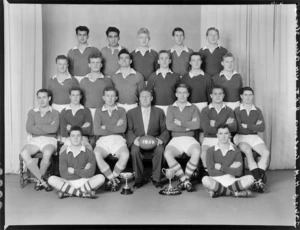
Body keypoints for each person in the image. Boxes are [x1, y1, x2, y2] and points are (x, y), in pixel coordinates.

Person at [126, 88, 170, 188]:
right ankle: (138, 179)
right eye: (142, 96)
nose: (145, 98)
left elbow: (165, 130)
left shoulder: (159, 112)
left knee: (160, 150)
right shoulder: (131, 113)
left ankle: (157, 179)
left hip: (154, 140)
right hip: (138, 140)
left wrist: (160, 139)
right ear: (139, 99)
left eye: (147, 96)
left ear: (152, 98)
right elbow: (128, 130)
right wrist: (134, 140)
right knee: (134, 151)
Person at [48, 126, 105, 198]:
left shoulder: (90, 153)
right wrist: (83, 170)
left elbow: (90, 173)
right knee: (51, 179)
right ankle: (81, 193)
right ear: (69, 138)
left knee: (101, 178)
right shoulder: (63, 154)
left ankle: (70, 192)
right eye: (73, 136)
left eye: (78, 135)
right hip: (69, 182)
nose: (75, 138)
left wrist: (74, 171)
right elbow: (64, 175)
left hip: (85, 181)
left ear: (81, 137)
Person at [20, 89, 59, 192]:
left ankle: (39, 182)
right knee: (24, 153)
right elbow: (29, 128)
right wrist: (46, 127)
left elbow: (53, 129)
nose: (41, 100)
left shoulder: (55, 113)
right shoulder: (32, 112)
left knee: (47, 153)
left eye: (44, 97)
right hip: (35, 140)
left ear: (49, 98)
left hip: (50, 140)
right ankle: (42, 181)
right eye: (39, 97)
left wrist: (37, 127)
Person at [164, 84, 201, 192]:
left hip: (190, 139)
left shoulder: (193, 107)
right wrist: (188, 126)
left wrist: (180, 123)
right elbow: (170, 126)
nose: (182, 95)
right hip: (175, 139)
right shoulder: (171, 108)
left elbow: (197, 125)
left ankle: (186, 179)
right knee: (167, 154)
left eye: (184, 92)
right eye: (179, 92)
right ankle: (184, 179)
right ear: (176, 94)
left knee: (197, 151)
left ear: (188, 94)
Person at [234, 87, 270, 193]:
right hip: (240, 136)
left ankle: (257, 181)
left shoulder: (257, 110)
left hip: (253, 137)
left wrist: (247, 125)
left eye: (250, 95)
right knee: (248, 151)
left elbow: (262, 127)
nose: (248, 97)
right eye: (245, 95)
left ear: (253, 96)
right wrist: (254, 125)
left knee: (266, 152)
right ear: (241, 96)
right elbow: (239, 128)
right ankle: (259, 180)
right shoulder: (237, 110)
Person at [202, 124, 254, 198]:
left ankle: (219, 191)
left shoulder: (236, 151)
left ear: (230, 135)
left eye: (226, 133)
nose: (223, 136)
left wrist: (220, 167)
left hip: (231, 181)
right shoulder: (210, 151)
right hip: (215, 181)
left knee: (250, 179)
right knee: (205, 180)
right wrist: (231, 168)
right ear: (217, 135)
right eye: (220, 133)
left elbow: (238, 172)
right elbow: (211, 172)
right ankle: (233, 193)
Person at [93, 86, 129, 192]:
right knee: (96, 154)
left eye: (112, 96)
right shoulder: (98, 111)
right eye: (107, 96)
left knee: (125, 155)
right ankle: (113, 179)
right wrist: (114, 125)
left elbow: (122, 128)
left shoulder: (121, 110)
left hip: (118, 139)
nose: (110, 98)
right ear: (103, 97)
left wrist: (105, 126)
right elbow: (97, 131)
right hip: (103, 140)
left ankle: (112, 178)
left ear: (116, 98)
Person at [200, 86, 237, 169]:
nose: (217, 96)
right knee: (204, 154)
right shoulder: (205, 110)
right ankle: (211, 177)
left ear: (223, 95)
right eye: (215, 94)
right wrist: (226, 124)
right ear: (211, 96)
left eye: (220, 94)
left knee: (231, 154)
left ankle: (225, 176)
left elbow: (234, 127)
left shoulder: (229, 110)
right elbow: (207, 129)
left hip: (225, 139)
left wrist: (216, 123)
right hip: (209, 139)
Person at [80, 52, 113, 120]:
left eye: (98, 62)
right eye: (93, 62)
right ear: (89, 64)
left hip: (103, 111)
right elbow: (81, 99)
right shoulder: (83, 81)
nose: (95, 65)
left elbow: (111, 98)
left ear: (101, 65)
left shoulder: (107, 80)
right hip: (87, 111)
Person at [59, 87, 93, 153]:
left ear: (80, 96)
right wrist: (81, 128)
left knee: (89, 150)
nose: (75, 97)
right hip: (69, 139)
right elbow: (63, 132)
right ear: (70, 96)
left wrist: (70, 128)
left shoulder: (86, 110)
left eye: (77, 95)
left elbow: (88, 130)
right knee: (62, 152)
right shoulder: (64, 111)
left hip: (83, 139)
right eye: (73, 95)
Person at [147, 50, 180, 115]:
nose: (164, 61)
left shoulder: (176, 76)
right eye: (161, 58)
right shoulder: (152, 76)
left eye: (166, 58)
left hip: (172, 107)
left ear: (170, 61)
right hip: (156, 107)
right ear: (158, 61)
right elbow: (149, 94)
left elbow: (179, 93)